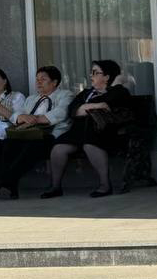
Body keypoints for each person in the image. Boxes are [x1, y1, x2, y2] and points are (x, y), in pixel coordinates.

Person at [42, 60, 131, 198]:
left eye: (95, 72)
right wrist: (96, 106)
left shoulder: (119, 92)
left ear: (107, 77)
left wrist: (87, 106)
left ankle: (105, 185)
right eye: (91, 72)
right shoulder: (86, 93)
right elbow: (73, 110)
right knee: (59, 147)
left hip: (103, 132)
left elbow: (108, 103)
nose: (91, 75)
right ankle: (55, 186)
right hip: (78, 132)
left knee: (90, 144)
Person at [0, 66, 73, 199]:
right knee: (8, 143)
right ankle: (9, 186)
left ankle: (3, 181)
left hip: (51, 135)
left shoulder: (65, 95)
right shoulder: (31, 99)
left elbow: (61, 113)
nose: (38, 82)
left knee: (32, 146)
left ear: (54, 82)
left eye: (43, 79)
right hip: (29, 133)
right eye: (37, 79)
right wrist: (22, 118)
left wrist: (35, 119)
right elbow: (19, 116)